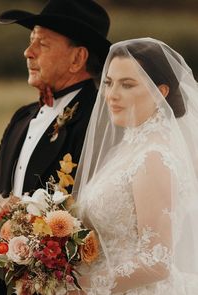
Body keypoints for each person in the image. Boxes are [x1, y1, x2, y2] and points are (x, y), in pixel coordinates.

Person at [0, 0, 111, 293]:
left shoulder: (98, 121)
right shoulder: (24, 116)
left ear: (77, 58)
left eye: (41, 44)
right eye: (30, 42)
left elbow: (93, 213)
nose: (28, 52)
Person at [71, 38, 198, 294]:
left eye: (127, 85)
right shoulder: (129, 148)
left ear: (160, 91)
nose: (112, 95)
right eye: (108, 83)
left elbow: (157, 262)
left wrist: (79, 287)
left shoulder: (153, 157)